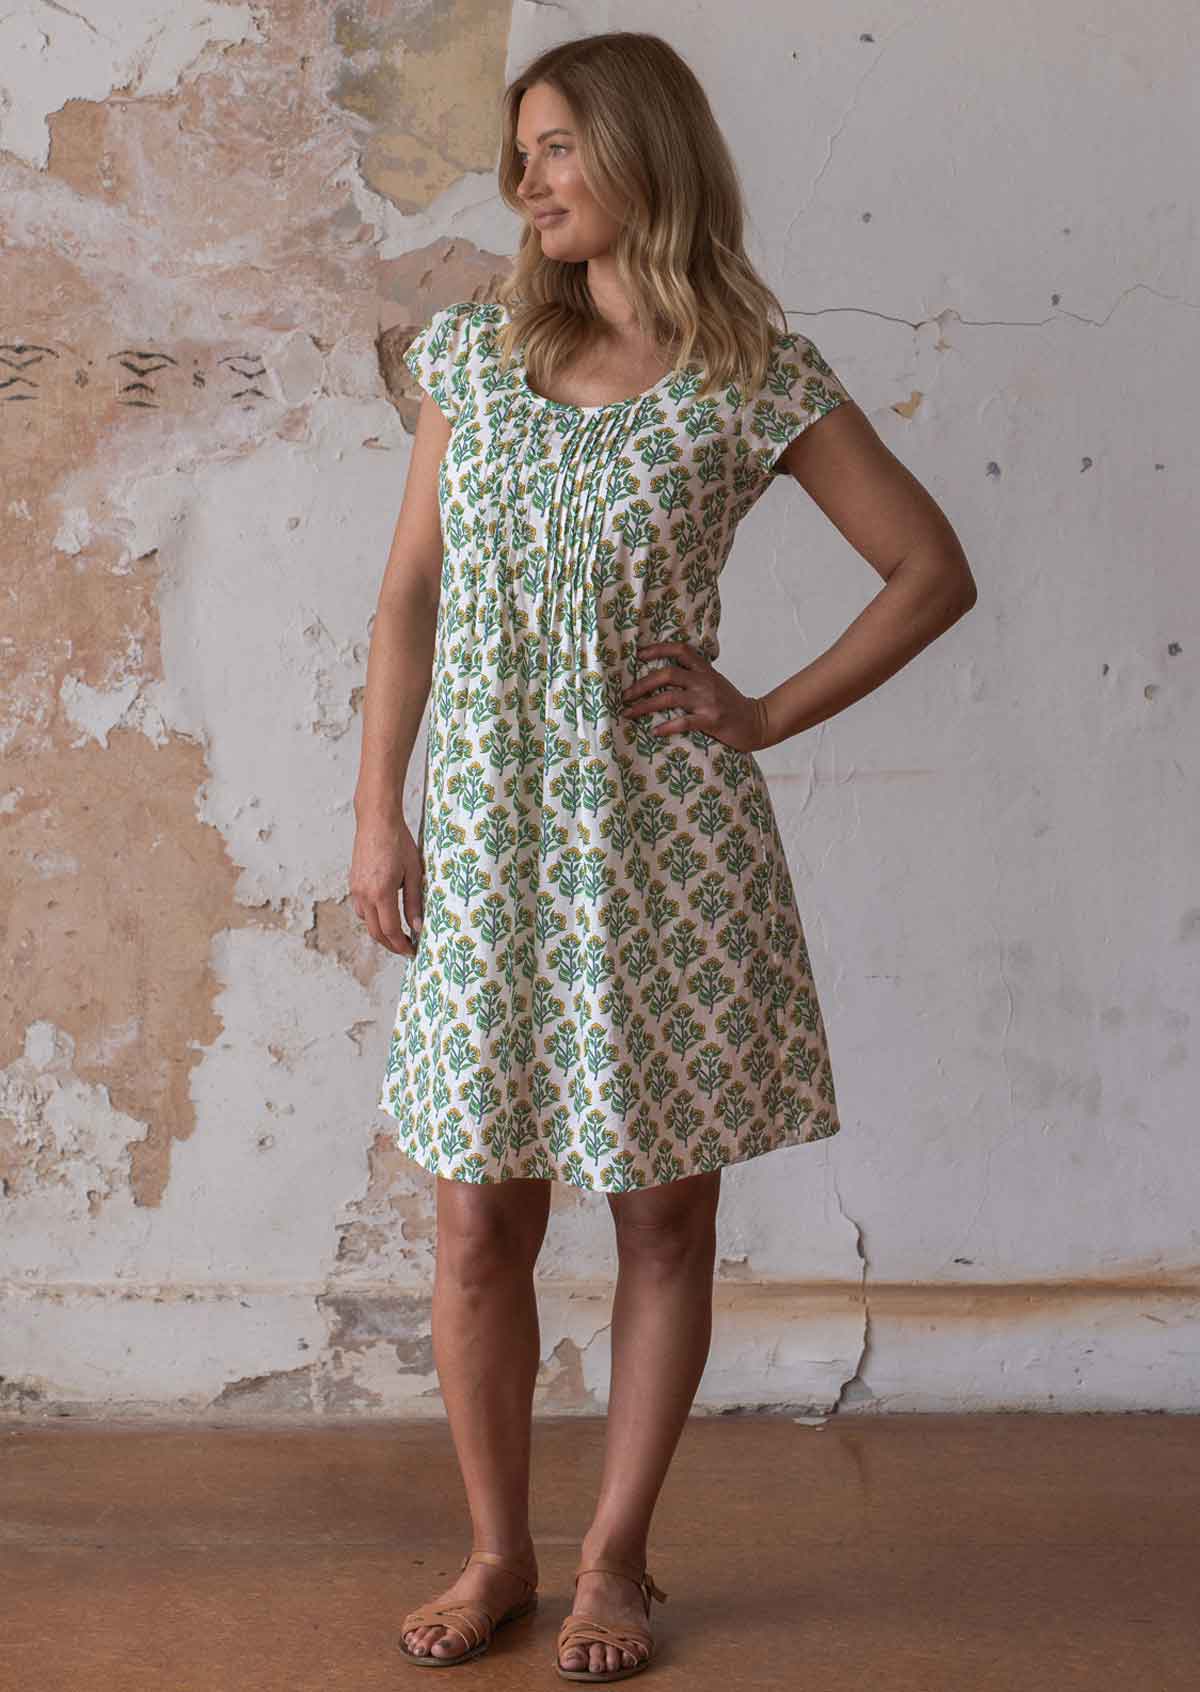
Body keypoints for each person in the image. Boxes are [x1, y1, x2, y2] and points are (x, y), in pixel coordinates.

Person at [351, 29, 977, 1683]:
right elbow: (407, 596)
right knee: (478, 1217)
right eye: (523, 151)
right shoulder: (470, 358)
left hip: (664, 850)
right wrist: (376, 809)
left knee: (660, 1221)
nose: (526, 179)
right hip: (488, 837)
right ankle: (497, 1550)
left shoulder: (755, 373)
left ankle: (617, 1559)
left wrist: (761, 712)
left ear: (644, 154)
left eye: (557, 146)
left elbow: (928, 567)